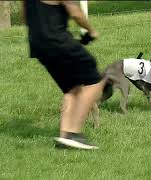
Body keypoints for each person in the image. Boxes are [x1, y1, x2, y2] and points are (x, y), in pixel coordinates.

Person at [23, 0, 106, 150]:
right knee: (94, 79)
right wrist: (91, 30)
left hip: (37, 43)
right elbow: (75, 11)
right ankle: (74, 133)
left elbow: (25, 16)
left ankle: (64, 138)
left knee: (71, 88)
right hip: (56, 39)